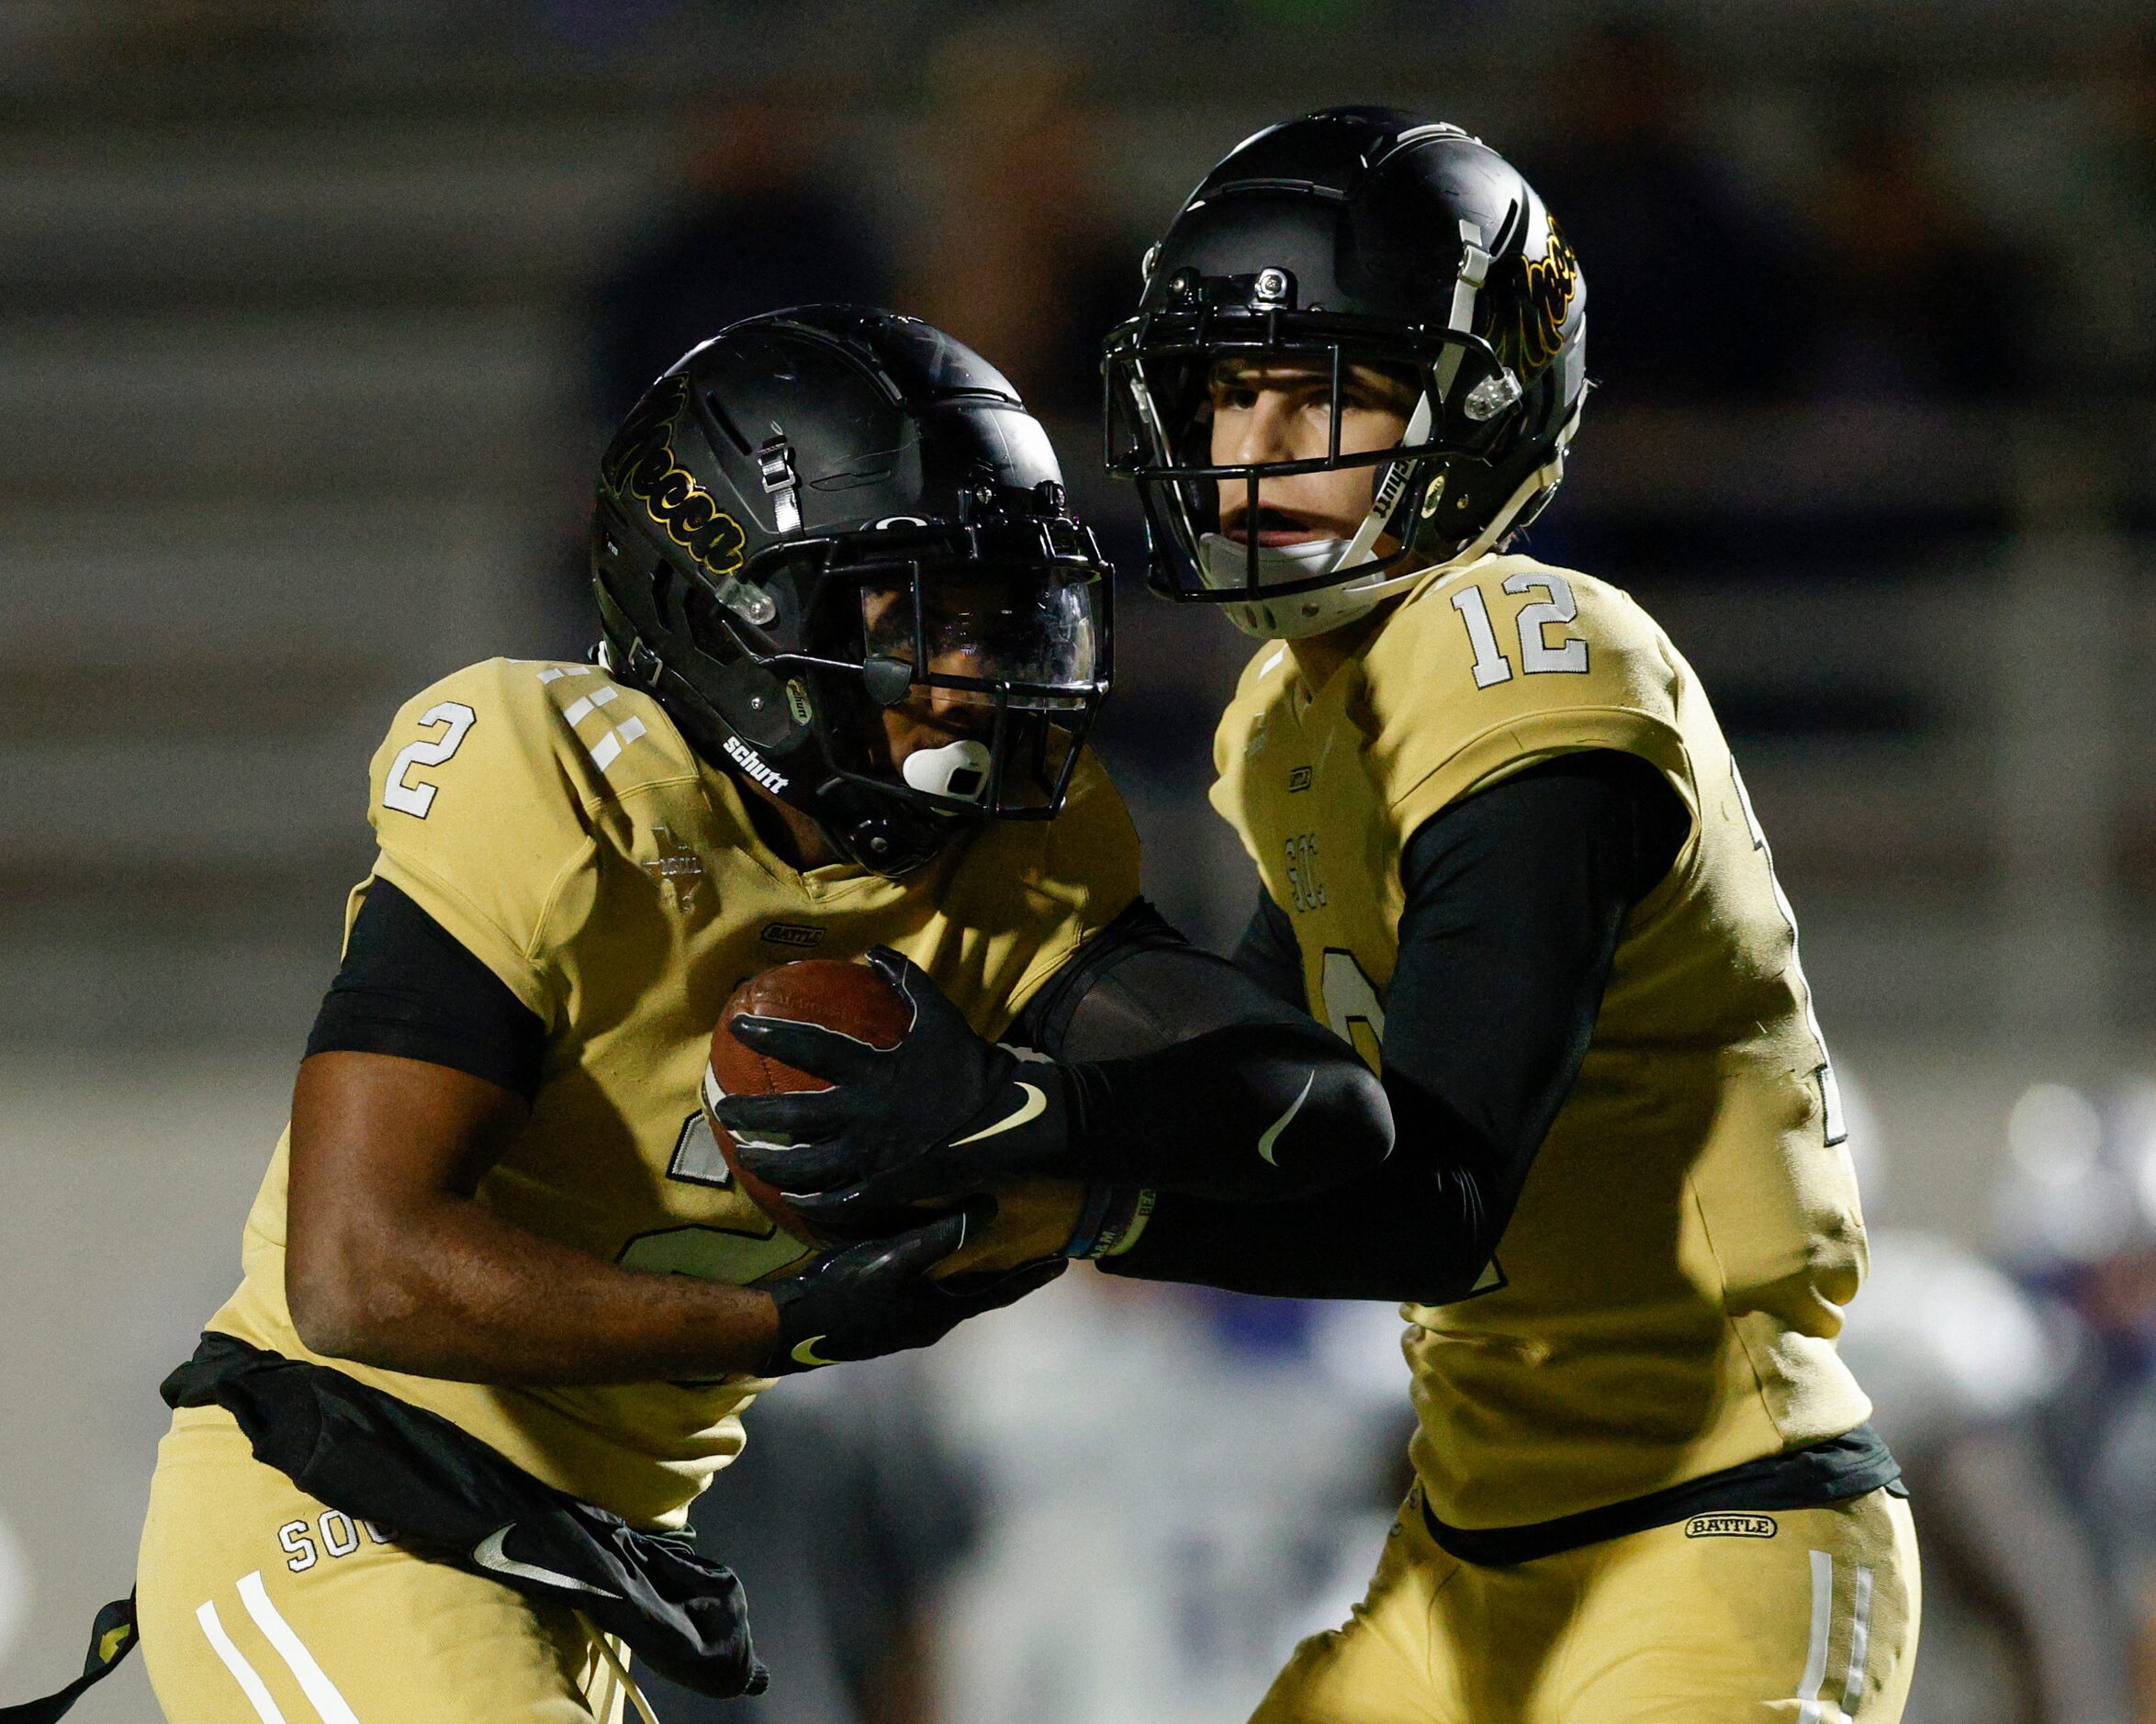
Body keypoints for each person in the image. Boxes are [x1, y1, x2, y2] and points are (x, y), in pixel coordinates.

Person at [737, 113, 1921, 1721]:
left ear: (1481, 405)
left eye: (1330, 391)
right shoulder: (1291, 717)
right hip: (1471, 1543)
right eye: (1234, 389)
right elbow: (1251, 1085)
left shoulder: (1533, 645)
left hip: (1716, 1524)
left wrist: (1051, 1158)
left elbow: (1432, 1191)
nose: (1260, 441)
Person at [108, 307, 1388, 1724]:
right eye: (914, 608)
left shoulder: (1007, 856)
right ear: (736, 604)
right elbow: (357, 1264)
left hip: (573, 1564)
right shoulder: (560, 786)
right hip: (335, 1507)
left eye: (994, 608)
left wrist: (1037, 1126)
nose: (972, 666)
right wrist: (767, 1320)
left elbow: (1291, 1098)